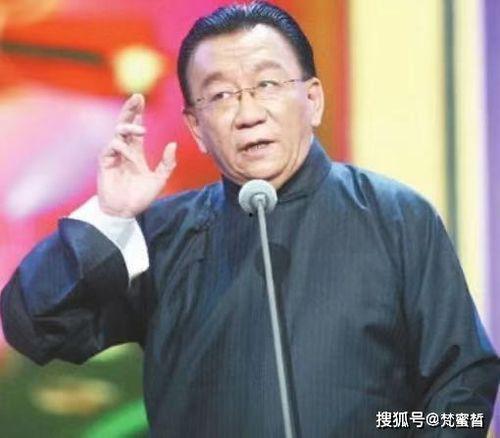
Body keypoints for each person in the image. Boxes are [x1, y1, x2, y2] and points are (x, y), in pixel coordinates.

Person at [1, 2, 499, 436]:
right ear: (196, 128)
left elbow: (463, 387)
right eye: (220, 95)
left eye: (266, 84)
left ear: (313, 100)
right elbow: (36, 328)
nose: (248, 113)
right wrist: (111, 216)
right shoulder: (165, 236)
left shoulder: (396, 216)